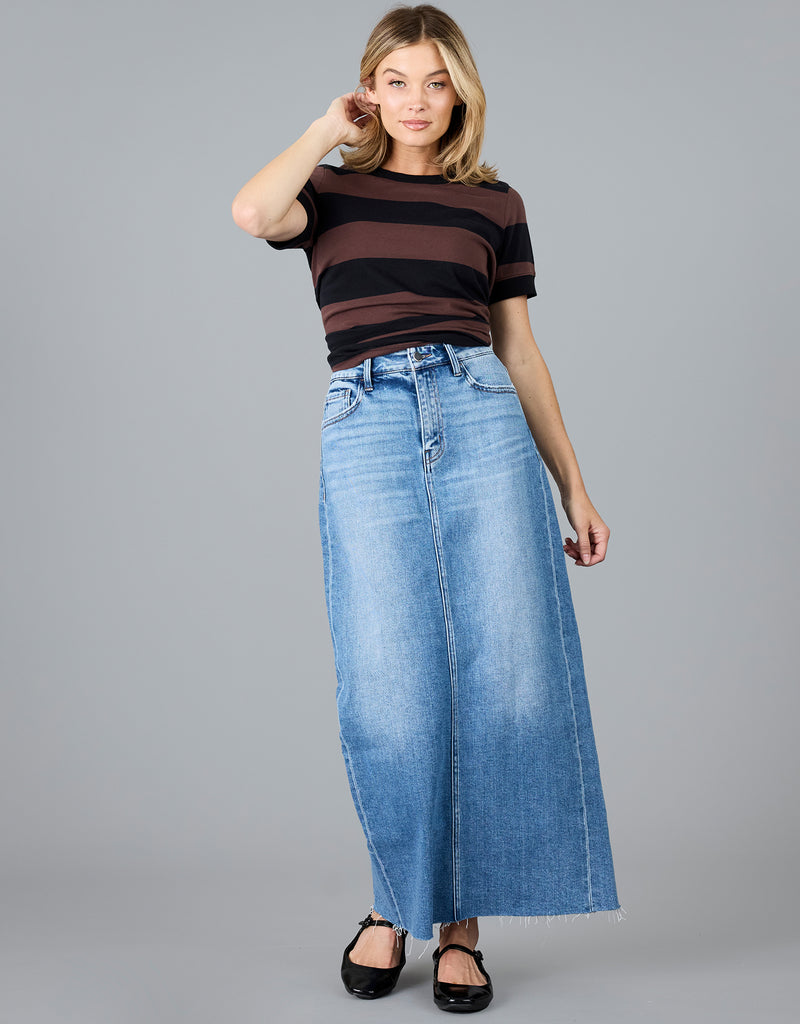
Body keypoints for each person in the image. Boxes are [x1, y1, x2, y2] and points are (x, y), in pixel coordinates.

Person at [232, 3, 622, 1013]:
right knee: (388, 678)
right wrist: (328, 128)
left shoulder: (493, 204)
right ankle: (391, 903)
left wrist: (573, 481)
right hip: (366, 418)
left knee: (504, 668)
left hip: (480, 413)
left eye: (436, 80)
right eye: (396, 79)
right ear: (371, 86)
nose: (416, 100)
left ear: (463, 92)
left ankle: (461, 925)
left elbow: (519, 350)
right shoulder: (329, 188)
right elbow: (249, 213)